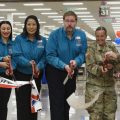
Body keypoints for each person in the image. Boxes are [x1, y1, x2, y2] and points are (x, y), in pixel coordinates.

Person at [45, 11, 87, 120]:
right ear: (63, 21)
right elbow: (50, 56)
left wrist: (76, 61)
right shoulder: (55, 35)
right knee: (57, 103)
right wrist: (64, 65)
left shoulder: (81, 35)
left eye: (72, 21)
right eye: (67, 21)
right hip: (55, 72)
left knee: (68, 102)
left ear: (76, 22)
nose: (69, 23)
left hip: (72, 72)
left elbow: (83, 53)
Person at [14, 15, 46, 120]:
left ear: (37, 26)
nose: (31, 27)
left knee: (34, 104)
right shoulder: (19, 39)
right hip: (21, 76)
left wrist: (38, 66)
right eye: (29, 24)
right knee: (22, 105)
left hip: (36, 76)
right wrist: (29, 63)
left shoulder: (42, 40)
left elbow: (45, 57)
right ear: (25, 26)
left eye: (33, 24)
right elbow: (16, 55)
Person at [85, 26, 119, 120]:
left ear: (106, 36)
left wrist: (112, 65)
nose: (100, 38)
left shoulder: (111, 46)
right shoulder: (91, 48)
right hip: (94, 87)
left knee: (110, 114)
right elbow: (89, 66)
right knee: (96, 115)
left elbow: (117, 64)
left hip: (109, 86)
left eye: (102, 36)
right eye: (97, 36)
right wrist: (100, 69)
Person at [0, 21, 17, 120]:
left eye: (8, 28)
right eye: (3, 28)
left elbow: (15, 60)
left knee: (3, 103)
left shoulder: (13, 44)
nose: (6, 31)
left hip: (6, 77)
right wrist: (1, 60)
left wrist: (11, 68)